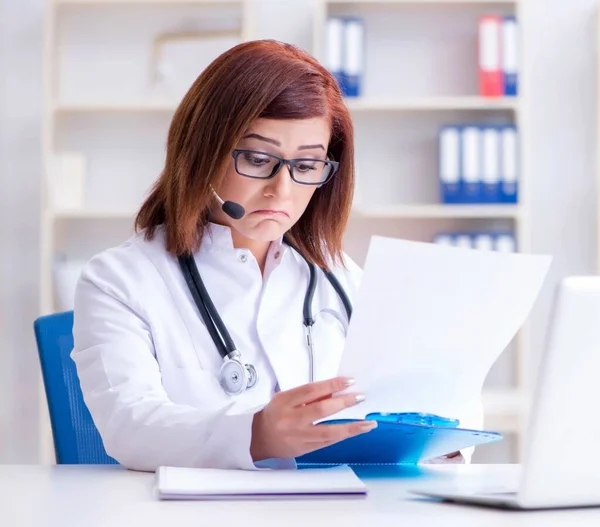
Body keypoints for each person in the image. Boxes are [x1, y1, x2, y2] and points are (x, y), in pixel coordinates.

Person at [71, 40, 470, 472]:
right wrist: (256, 434)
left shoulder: (338, 277)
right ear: (201, 151)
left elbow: (431, 394)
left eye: (306, 165)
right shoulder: (121, 279)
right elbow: (131, 426)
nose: (282, 190)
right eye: (259, 159)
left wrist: (438, 438)